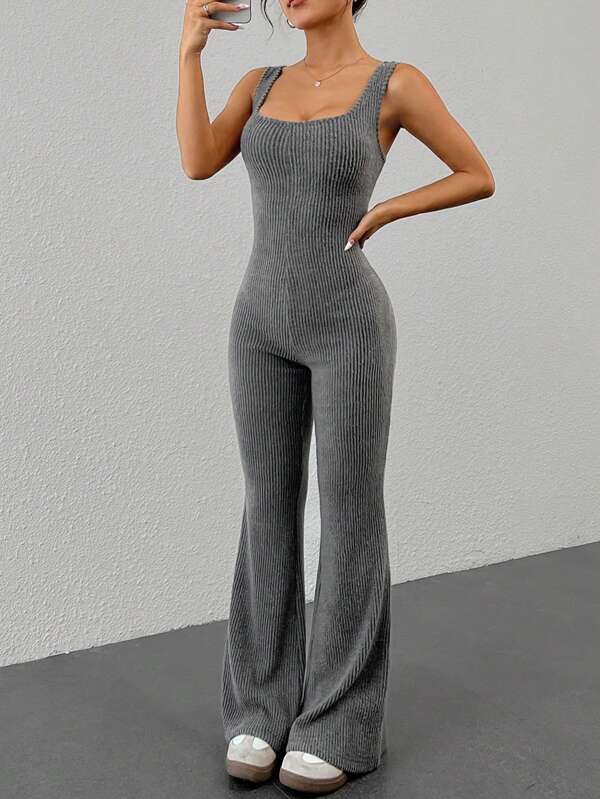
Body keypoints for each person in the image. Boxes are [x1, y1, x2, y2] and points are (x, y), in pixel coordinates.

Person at [176, 0, 495, 793]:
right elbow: (197, 160)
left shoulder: (394, 84)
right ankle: (260, 709)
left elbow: (477, 173)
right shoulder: (259, 83)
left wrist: (388, 207)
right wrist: (188, 55)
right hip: (259, 323)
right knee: (265, 508)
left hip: (349, 324)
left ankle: (338, 723)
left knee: (350, 512)